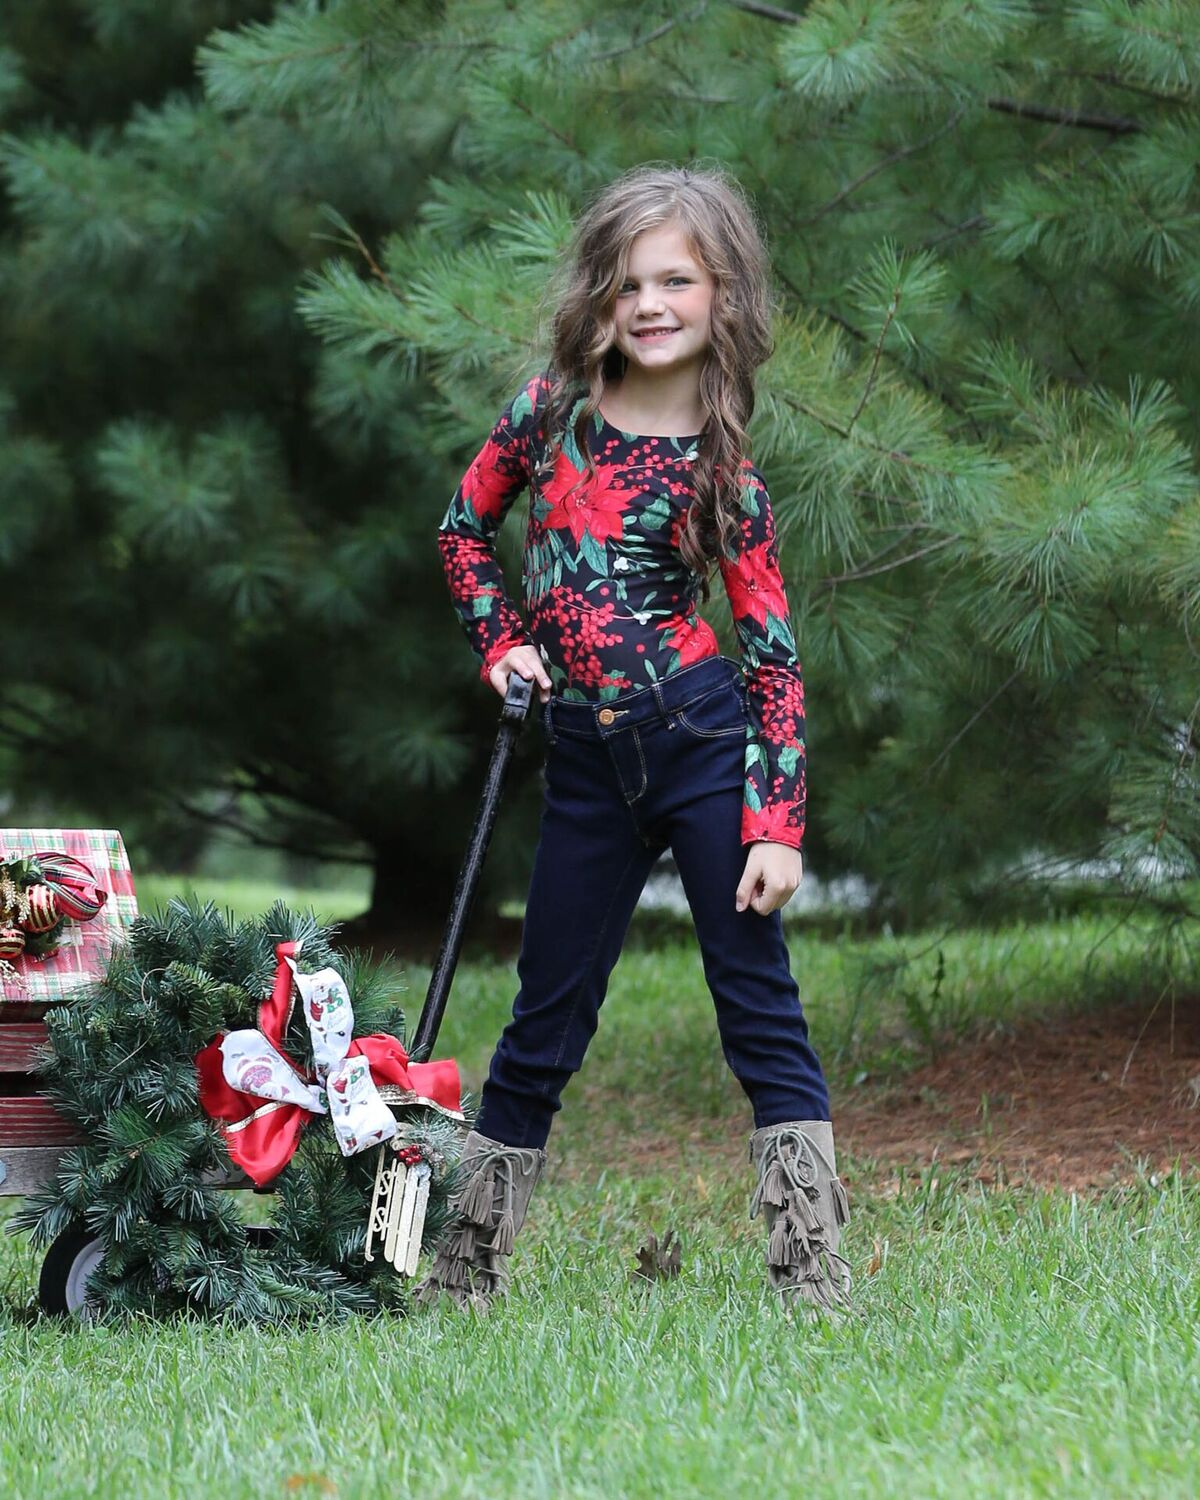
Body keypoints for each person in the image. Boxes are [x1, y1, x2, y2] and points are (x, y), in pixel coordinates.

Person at [415, 163, 850, 1317]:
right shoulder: (548, 414)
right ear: (597, 301)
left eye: (677, 281)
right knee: (546, 1013)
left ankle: (812, 1271)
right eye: (627, 283)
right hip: (587, 762)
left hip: (703, 745)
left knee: (757, 1003)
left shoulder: (725, 474)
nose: (650, 303)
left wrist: (777, 827)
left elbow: (771, 661)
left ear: (723, 299)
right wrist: (500, 640)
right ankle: (465, 1270)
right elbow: (464, 529)